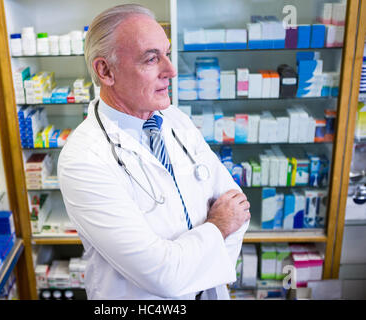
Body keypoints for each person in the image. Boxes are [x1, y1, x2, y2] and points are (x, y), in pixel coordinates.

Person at [58, 4, 251, 300]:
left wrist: (198, 262)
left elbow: (238, 207)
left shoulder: (174, 118)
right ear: (105, 70)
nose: (171, 70)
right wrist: (217, 226)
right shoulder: (84, 159)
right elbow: (163, 275)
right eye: (151, 58)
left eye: (167, 52)